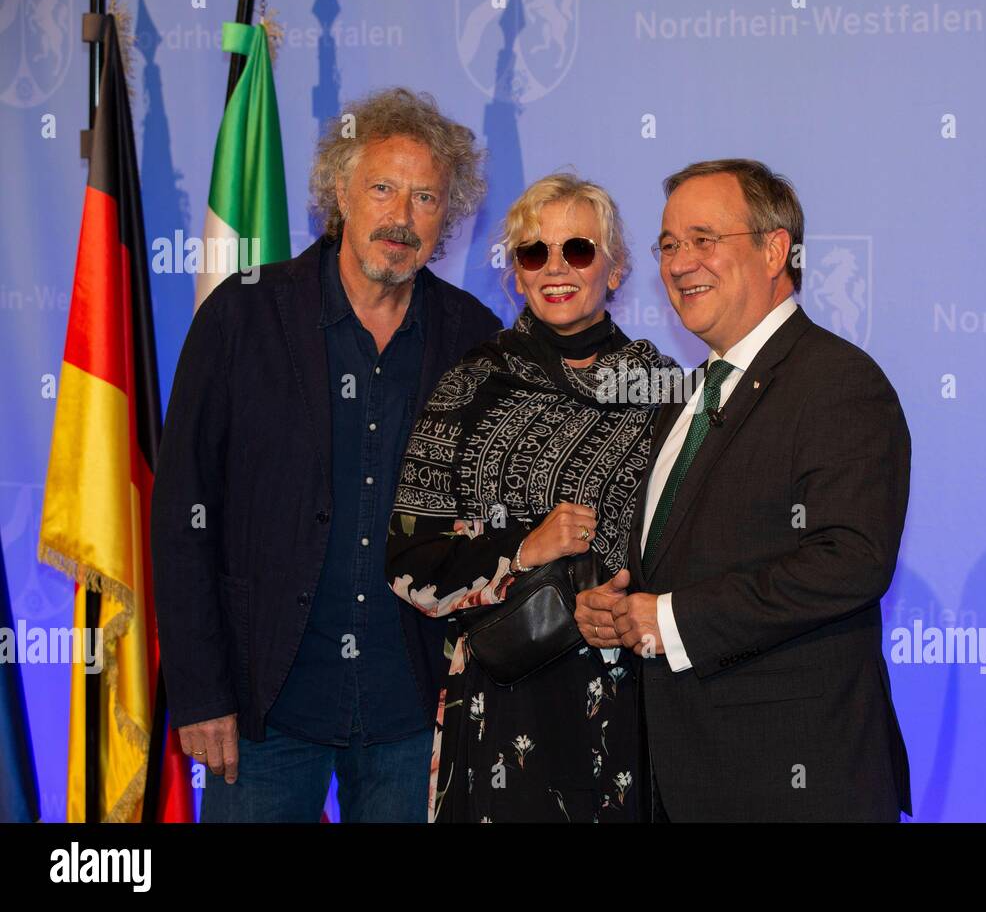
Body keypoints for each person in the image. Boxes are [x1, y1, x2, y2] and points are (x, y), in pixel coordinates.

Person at [152, 88, 502, 821]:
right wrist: (201, 691)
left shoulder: (472, 336)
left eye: (426, 198)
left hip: (417, 711)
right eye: (382, 189)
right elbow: (182, 517)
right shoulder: (242, 316)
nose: (401, 218)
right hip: (263, 709)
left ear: (450, 216)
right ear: (338, 191)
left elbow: (495, 524)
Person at [593, 158, 913, 821]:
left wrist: (672, 619)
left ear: (775, 251)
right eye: (670, 245)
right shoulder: (681, 397)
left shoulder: (837, 382)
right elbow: (677, 560)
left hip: (792, 784)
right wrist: (619, 608)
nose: (680, 263)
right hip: (680, 780)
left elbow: (850, 561)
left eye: (704, 240)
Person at [385, 172, 673, 822]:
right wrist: (520, 549)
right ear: (515, 273)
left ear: (617, 266)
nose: (555, 268)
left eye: (578, 249)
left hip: (624, 699)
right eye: (533, 253)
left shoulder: (665, 392)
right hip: (500, 698)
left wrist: (626, 596)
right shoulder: (472, 383)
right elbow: (408, 560)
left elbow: (696, 546)